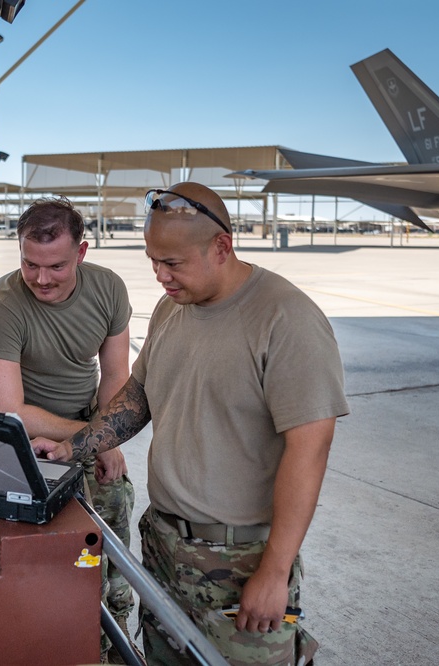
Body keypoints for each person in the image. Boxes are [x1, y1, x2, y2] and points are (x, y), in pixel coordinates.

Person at [34, 183, 350, 666]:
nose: (160, 275)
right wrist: (72, 447)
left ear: (221, 247)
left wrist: (275, 571)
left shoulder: (287, 319)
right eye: (153, 261)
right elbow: (137, 399)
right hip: (164, 547)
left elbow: (310, 450)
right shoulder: (171, 308)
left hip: (240, 560)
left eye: (173, 263)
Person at [0, 196, 136, 648]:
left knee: (114, 552)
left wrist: (106, 436)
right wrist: (98, 438)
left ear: (81, 253)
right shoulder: (3, 306)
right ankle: (72, 648)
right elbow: (12, 414)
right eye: (30, 264)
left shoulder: (107, 289)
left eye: (57, 267)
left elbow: (116, 376)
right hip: (31, 450)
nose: (41, 279)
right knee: (59, 566)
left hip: (90, 427)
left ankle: (118, 645)